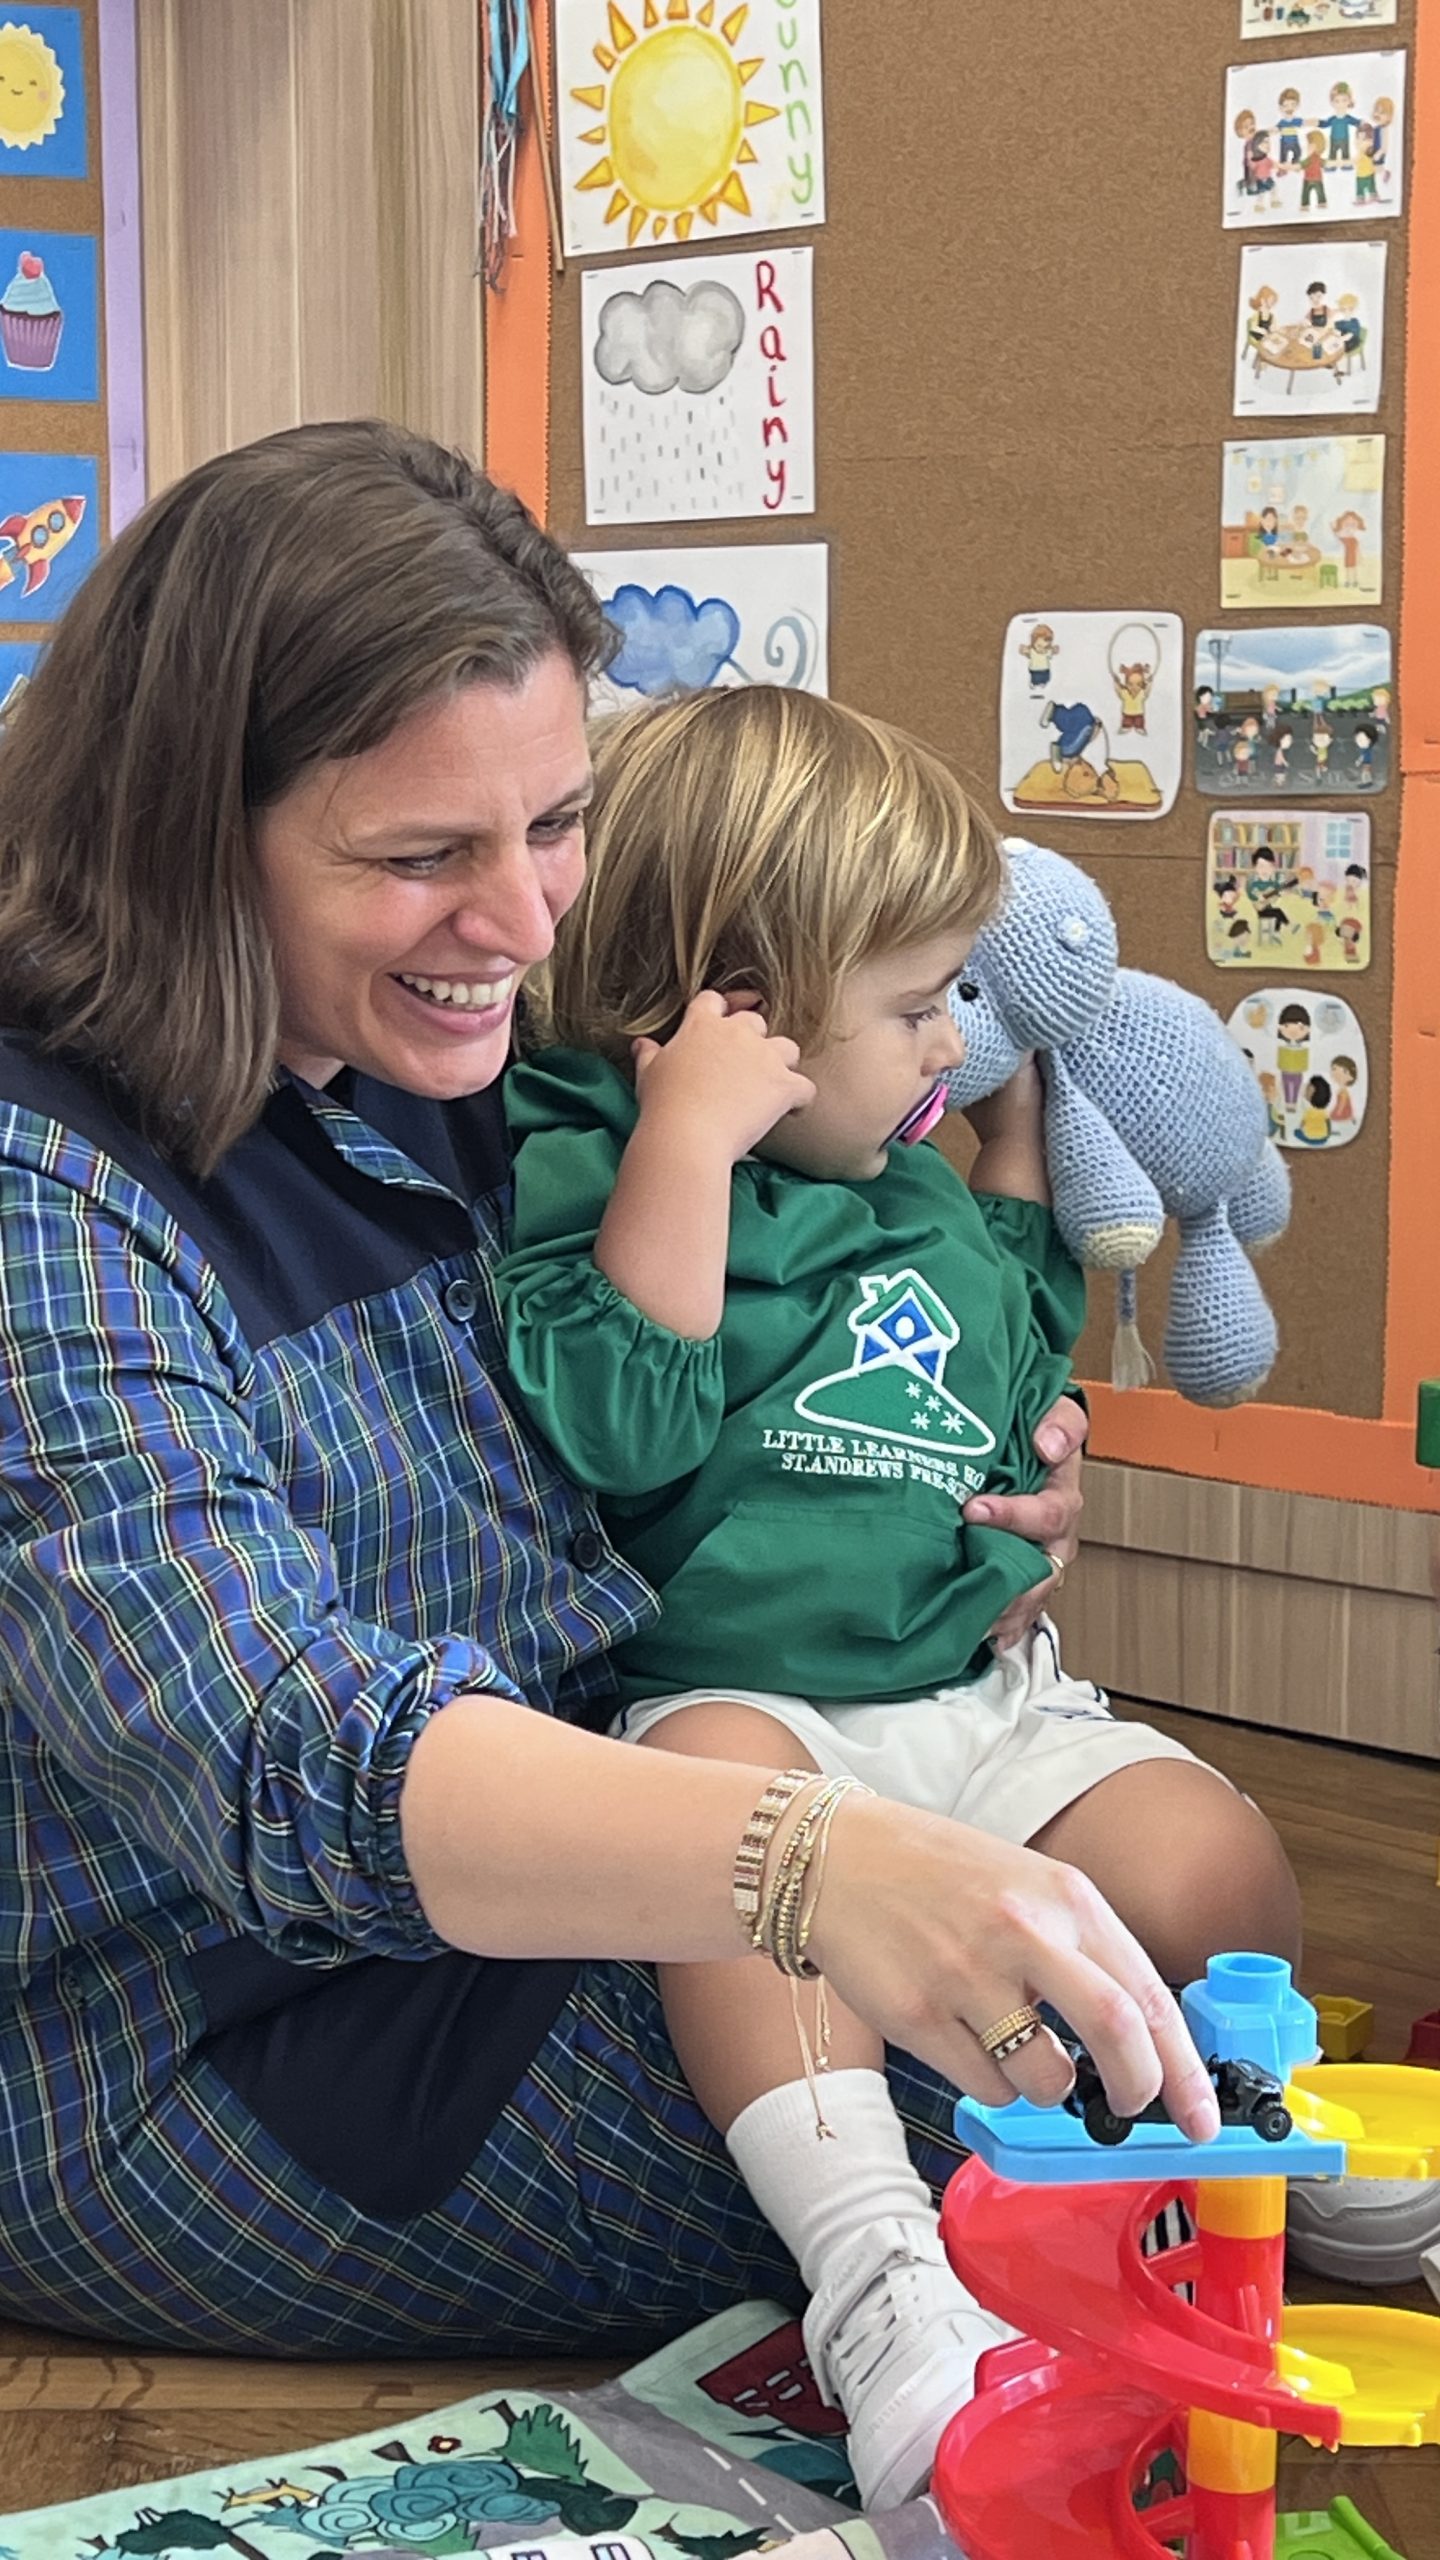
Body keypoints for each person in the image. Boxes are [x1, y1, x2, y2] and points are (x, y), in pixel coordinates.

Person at [0, 420, 1243, 2461]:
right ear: (183, 836)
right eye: (421, 854)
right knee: (1052, 2091)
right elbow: (270, 1749)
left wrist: (977, 1445)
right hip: (239, 2039)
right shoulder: (47, 1189)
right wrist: (805, 1859)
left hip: (585, 1851)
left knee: (1144, 1949)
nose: (518, 918)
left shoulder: (462, 1051)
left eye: (558, 822)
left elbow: (776, 1294)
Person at [496, 687, 1303, 2496]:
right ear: (740, 1018)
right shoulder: (594, 1162)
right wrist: (686, 1146)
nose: (954, 1035)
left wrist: (1013, 1144)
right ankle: (877, 2279)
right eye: (921, 1002)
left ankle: (1228, 2168)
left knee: (1215, 1867)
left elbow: (1015, 1324)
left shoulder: (908, 1181)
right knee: (728, 1838)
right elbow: (620, 1422)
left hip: (974, 1698)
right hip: (749, 1715)